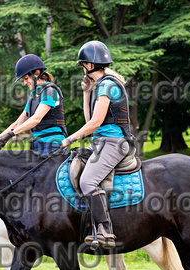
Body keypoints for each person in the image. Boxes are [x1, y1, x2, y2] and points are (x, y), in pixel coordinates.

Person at [60, 41, 134, 249]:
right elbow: (90, 119)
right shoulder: (99, 87)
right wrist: (86, 93)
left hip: (114, 143)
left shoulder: (108, 85)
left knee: (88, 182)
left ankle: (105, 230)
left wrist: (69, 139)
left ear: (90, 65)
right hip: (100, 142)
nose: (83, 68)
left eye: (83, 64)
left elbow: (95, 123)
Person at [0, 54, 67, 154]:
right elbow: (18, 123)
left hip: (53, 145)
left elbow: (36, 119)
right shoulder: (33, 96)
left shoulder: (50, 91)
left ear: (36, 73)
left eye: (26, 78)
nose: (24, 83)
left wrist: (11, 135)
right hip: (38, 145)